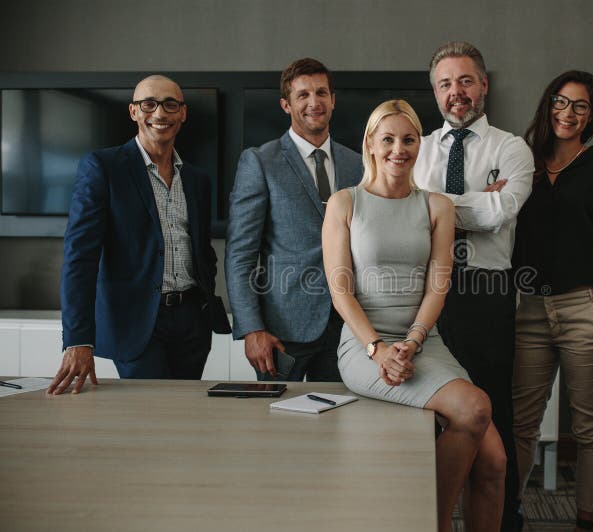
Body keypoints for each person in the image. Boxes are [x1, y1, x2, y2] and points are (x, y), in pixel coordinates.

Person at [323, 99, 506, 532]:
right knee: (476, 406)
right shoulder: (344, 203)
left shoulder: (437, 206)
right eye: (387, 139)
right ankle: (435, 525)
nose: (398, 149)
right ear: (370, 144)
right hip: (364, 346)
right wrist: (378, 349)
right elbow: (340, 291)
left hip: (424, 341)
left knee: (496, 462)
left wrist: (413, 341)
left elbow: (437, 286)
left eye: (408, 139)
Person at [414, 41, 534, 532]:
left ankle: (500, 522)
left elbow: (502, 211)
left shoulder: (511, 147)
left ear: (483, 85)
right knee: (427, 416)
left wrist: (434, 208)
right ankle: (426, 520)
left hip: (487, 293)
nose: (455, 92)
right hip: (425, 295)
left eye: (465, 81)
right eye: (445, 84)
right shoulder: (414, 148)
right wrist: (470, 205)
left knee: (492, 411)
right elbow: (401, 215)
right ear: (435, 93)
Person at [49, 75, 228, 394]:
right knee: (151, 418)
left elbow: (202, 250)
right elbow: (80, 257)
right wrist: (78, 339)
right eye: (149, 104)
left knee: (187, 416)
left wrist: (203, 302)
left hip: (192, 325)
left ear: (182, 113)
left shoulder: (197, 179)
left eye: (170, 104)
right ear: (134, 112)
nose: (160, 113)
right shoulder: (103, 167)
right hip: (137, 322)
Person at [511, 71, 593, 531]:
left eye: (581, 105)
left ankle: (586, 522)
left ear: (592, 115)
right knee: (521, 425)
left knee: (590, 427)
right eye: (561, 102)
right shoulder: (524, 161)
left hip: (589, 307)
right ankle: (508, 514)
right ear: (548, 105)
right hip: (532, 309)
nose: (569, 112)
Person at [226, 58, 361, 382]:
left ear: (332, 100)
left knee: (339, 422)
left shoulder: (357, 163)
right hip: (283, 329)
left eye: (321, 93)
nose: (314, 102)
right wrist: (251, 329)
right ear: (286, 104)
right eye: (303, 95)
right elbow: (240, 254)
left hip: (349, 324)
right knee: (276, 427)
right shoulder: (260, 161)